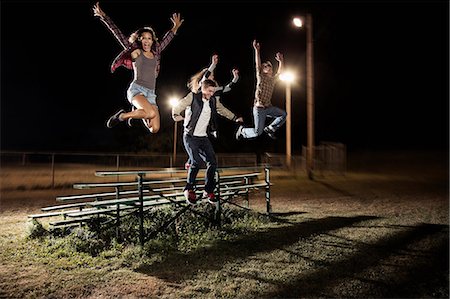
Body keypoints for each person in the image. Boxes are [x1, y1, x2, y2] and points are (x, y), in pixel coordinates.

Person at [93, 2, 184, 133]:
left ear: (153, 41)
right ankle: (122, 116)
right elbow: (118, 35)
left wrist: (175, 27)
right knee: (151, 113)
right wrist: (104, 17)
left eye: (149, 38)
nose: (146, 41)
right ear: (139, 40)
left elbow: (166, 40)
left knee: (155, 128)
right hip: (137, 90)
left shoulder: (156, 52)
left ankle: (135, 113)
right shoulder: (135, 52)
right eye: (143, 38)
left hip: (151, 93)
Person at [172, 79, 243, 205]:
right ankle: (189, 188)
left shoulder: (213, 101)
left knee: (213, 162)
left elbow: (223, 110)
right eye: (210, 91)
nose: (211, 94)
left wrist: (235, 117)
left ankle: (208, 190)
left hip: (203, 137)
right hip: (190, 136)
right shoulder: (193, 97)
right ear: (203, 88)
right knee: (197, 161)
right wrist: (176, 114)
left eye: (213, 91)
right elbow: (179, 105)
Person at [184, 54, 239, 170]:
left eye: (213, 77)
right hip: (194, 121)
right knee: (195, 138)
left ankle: (194, 161)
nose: (213, 78)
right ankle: (191, 161)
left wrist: (235, 78)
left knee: (204, 140)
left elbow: (227, 88)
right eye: (211, 76)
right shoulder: (200, 89)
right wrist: (213, 65)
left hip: (208, 121)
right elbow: (205, 77)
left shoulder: (214, 90)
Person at [235, 40, 287, 140]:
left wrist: (281, 61)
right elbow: (258, 64)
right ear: (263, 70)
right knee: (257, 132)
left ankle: (270, 128)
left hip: (268, 108)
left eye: (269, 66)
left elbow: (280, 73)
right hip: (259, 109)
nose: (268, 67)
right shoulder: (260, 76)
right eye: (265, 66)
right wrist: (257, 50)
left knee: (283, 114)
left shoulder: (272, 80)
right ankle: (243, 131)